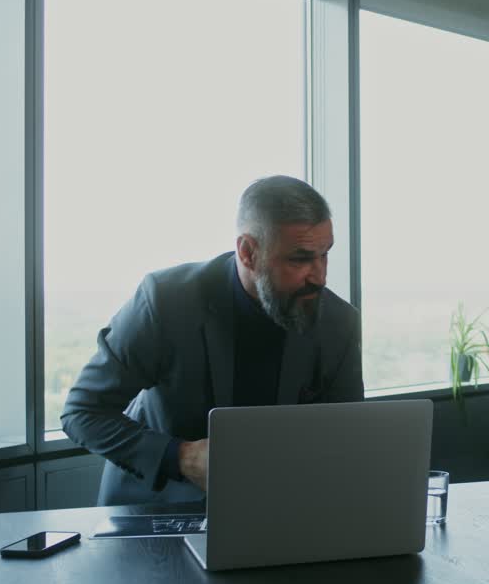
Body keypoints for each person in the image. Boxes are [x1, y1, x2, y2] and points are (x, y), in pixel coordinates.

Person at [61, 175, 364, 506]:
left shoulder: (339, 323)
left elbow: (344, 441)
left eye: (325, 255)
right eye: (300, 258)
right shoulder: (166, 301)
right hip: (155, 515)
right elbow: (82, 413)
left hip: (276, 511)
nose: (320, 276)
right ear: (248, 252)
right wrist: (182, 457)